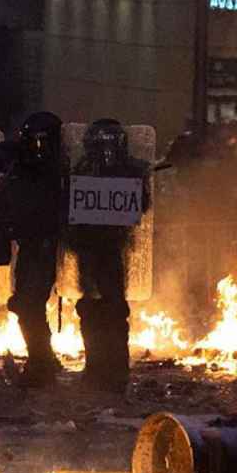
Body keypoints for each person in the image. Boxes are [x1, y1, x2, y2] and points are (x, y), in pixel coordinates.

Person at [69, 119, 152, 393]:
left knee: (113, 310)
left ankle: (115, 372)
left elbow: (141, 206)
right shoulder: (81, 169)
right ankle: (96, 369)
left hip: (113, 249)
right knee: (91, 310)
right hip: (88, 248)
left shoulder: (128, 170)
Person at [0, 112, 67, 387]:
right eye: (34, 141)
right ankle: (41, 361)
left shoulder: (56, 173)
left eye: (43, 142)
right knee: (26, 304)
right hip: (29, 244)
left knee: (28, 304)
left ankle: (41, 365)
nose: (38, 148)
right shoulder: (22, 165)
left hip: (41, 245)